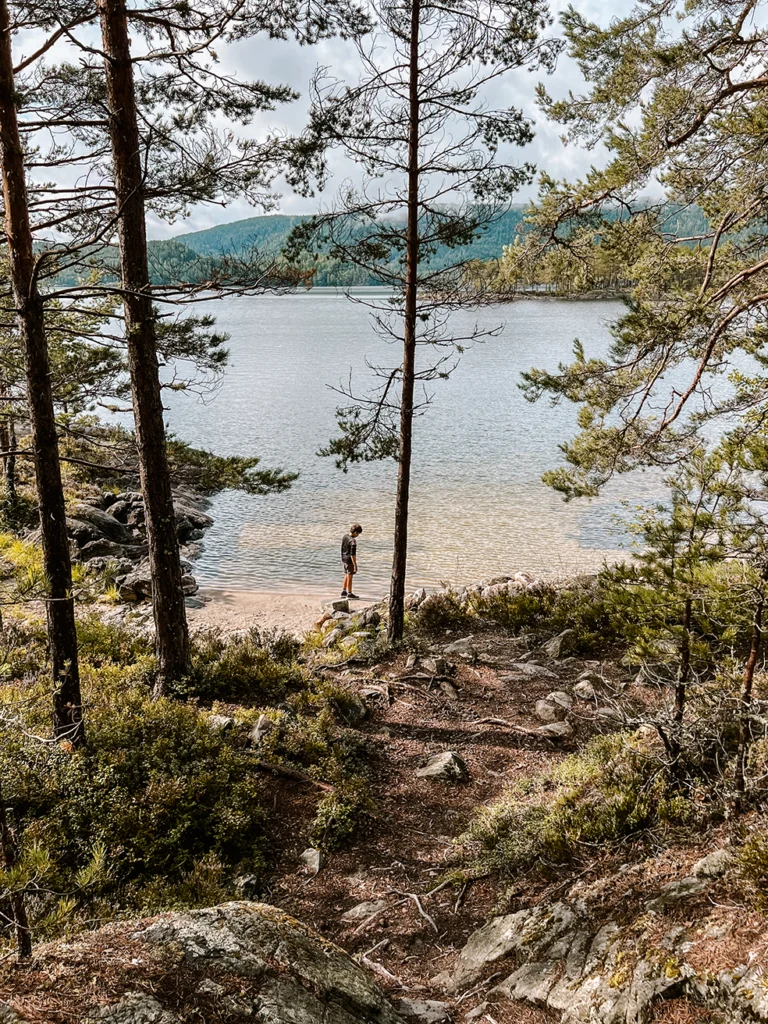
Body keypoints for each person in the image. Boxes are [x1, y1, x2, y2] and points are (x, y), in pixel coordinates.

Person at [341, 523, 363, 599]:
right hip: (349, 561)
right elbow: (352, 555)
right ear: (355, 532)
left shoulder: (345, 536)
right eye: (358, 534)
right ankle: (349, 593)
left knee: (346, 575)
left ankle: (344, 591)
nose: (358, 535)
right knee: (350, 576)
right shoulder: (353, 541)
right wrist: (355, 565)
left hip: (344, 559)